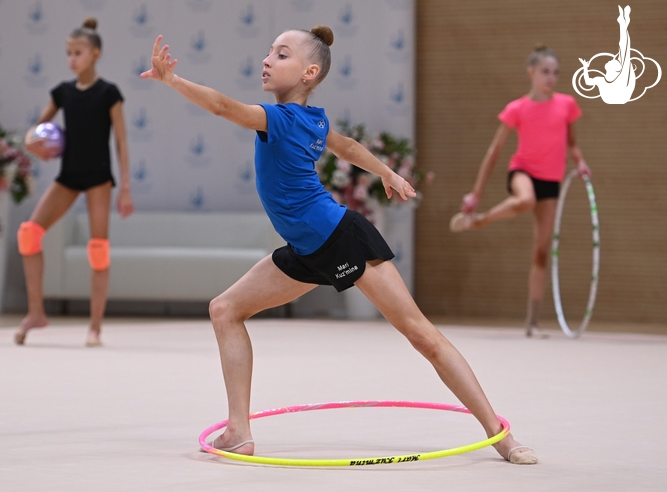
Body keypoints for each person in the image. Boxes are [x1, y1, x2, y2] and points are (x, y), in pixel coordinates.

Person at [141, 26, 537, 464]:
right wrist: (385, 172)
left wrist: (173, 81)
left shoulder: (284, 119)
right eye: (269, 51)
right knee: (225, 310)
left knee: (421, 335)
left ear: (309, 72)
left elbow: (221, 107)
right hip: (307, 249)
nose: (268, 60)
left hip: (341, 237)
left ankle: (500, 434)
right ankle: (238, 430)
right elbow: (345, 146)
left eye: (281, 53)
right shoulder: (313, 120)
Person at [449, 45, 591, 338]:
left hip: (551, 180)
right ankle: (481, 219)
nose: (551, 78)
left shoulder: (567, 105)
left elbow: (572, 143)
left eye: (555, 73)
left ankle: (533, 322)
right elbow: (494, 151)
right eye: (545, 72)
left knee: (541, 252)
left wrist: (580, 161)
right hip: (523, 172)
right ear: (532, 72)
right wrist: (475, 194)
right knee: (526, 199)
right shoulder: (517, 108)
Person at [15, 17, 133, 347]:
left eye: (78, 52)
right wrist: (34, 144)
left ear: (95, 54)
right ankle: (36, 312)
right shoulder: (63, 93)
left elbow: (121, 141)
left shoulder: (109, 93)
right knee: (28, 235)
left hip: (97, 178)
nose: (72, 59)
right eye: (68, 53)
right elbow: (35, 132)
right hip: (68, 176)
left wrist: (124, 186)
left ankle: (94, 327)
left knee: (98, 250)